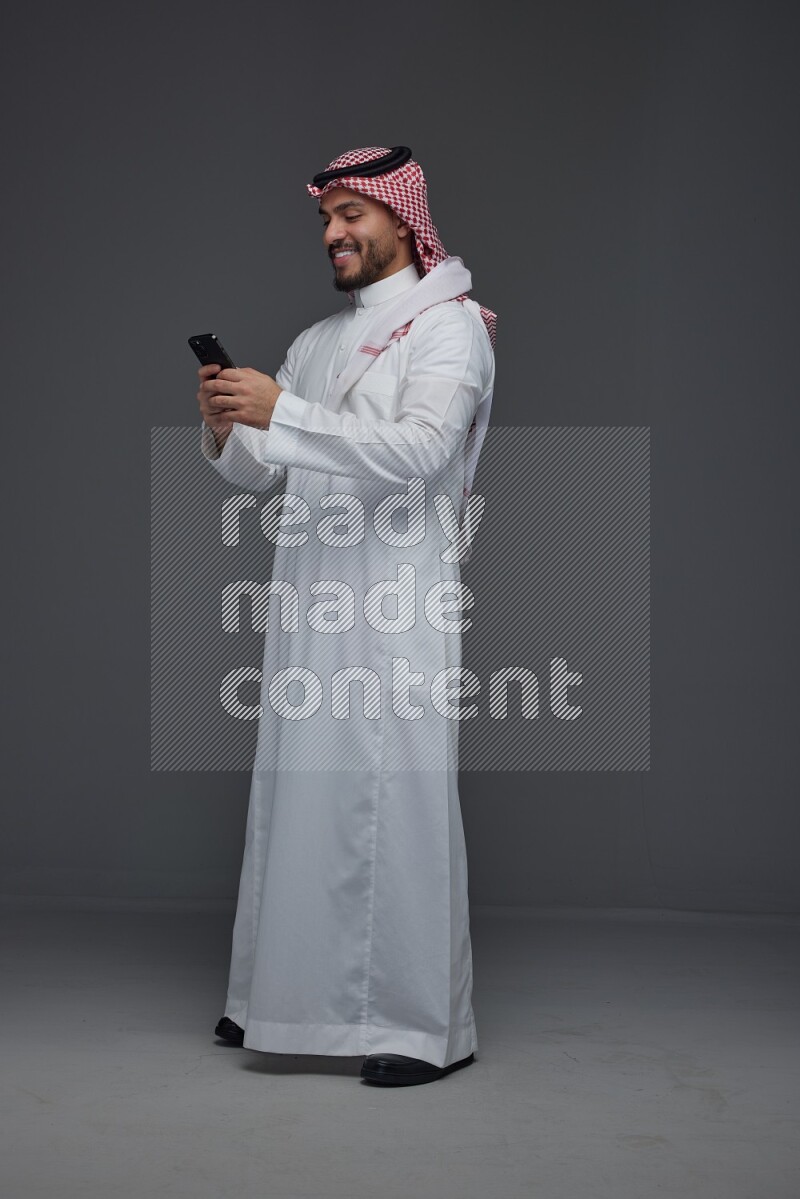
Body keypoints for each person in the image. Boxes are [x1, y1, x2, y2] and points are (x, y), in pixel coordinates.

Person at [196, 145, 496, 1087]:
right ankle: (271, 1001)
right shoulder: (319, 341)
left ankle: (420, 1027)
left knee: (392, 803)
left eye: (351, 217)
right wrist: (229, 425)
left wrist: (282, 408)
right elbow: (267, 467)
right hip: (312, 595)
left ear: (404, 220)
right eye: (325, 220)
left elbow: (418, 450)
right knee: (296, 794)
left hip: (397, 599)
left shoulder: (450, 330)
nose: (333, 234)